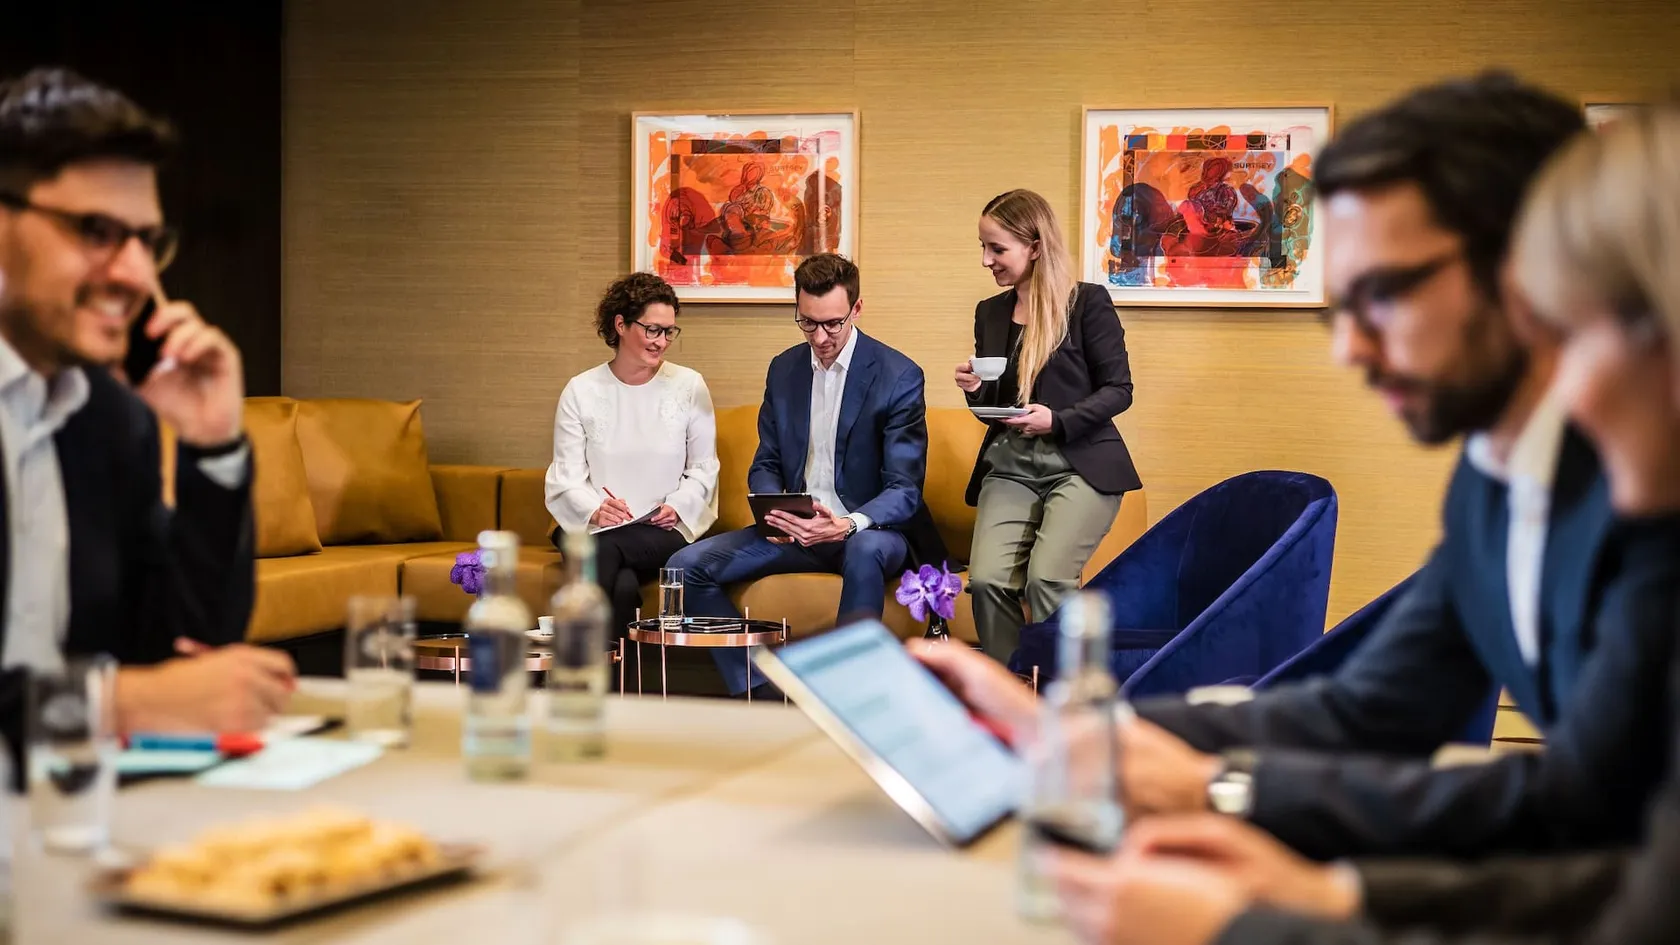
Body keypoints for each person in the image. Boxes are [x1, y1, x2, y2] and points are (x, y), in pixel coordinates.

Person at [923, 72, 1680, 868]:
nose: (1349, 346)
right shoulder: (1497, 483)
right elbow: (1364, 711)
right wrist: (1072, 733)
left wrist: (1291, 903)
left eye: (1382, 292)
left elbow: (1625, 876)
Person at [0, 68, 289, 781]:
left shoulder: (107, 418)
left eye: (146, 240)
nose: (134, 274)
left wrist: (212, 446)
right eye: (97, 232)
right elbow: (146, 694)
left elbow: (188, 644)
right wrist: (112, 704)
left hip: (69, 817)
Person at [669, 253, 943, 697]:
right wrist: (776, 512)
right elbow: (767, 462)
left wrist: (846, 524)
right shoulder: (784, 369)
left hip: (868, 531)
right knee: (683, 568)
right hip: (797, 530)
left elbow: (904, 489)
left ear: (856, 309)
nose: (820, 337)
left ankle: (849, 696)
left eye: (832, 324)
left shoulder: (898, 375)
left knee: (864, 550)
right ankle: (760, 689)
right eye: (807, 323)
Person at [955, 189, 1140, 663]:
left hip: (1080, 463)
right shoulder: (989, 312)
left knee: (1048, 579)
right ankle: (1010, 687)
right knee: (988, 581)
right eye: (983, 247)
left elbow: (1119, 389)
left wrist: (1058, 420)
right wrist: (975, 389)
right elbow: (999, 401)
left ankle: (1062, 691)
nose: (986, 260)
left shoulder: (1087, 303)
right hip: (1011, 463)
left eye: (997, 249)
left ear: (1035, 246)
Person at [544, 272, 719, 651]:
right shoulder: (581, 390)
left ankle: (573, 663)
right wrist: (594, 509)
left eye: (669, 332)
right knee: (621, 585)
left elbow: (704, 468)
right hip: (592, 526)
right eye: (652, 330)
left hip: (661, 529)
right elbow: (566, 475)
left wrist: (678, 506)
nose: (661, 341)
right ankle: (617, 682)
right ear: (620, 324)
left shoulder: (689, 385)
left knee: (602, 551)